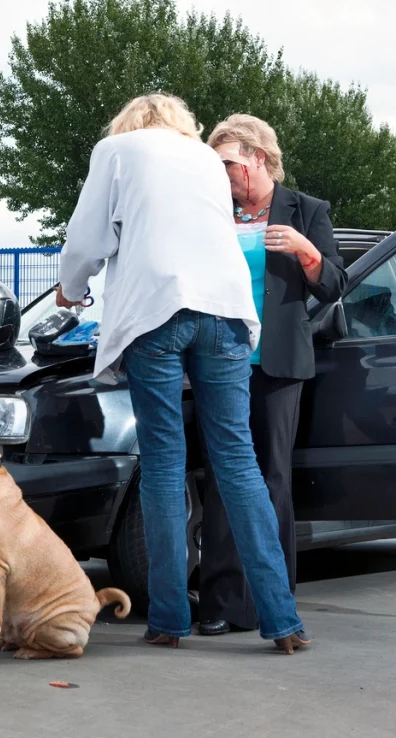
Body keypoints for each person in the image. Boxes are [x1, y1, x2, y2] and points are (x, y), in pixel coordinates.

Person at [55, 92, 311, 653]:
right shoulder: (203, 159)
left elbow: (88, 240)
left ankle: (169, 620)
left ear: (127, 124)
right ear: (182, 124)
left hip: (157, 313)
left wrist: (71, 290)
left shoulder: (117, 150)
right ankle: (284, 622)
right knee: (239, 462)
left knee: (165, 466)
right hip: (224, 312)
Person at [195, 114, 347, 636]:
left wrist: (306, 251)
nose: (222, 174)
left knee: (273, 480)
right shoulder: (213, 213)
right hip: (221, 361)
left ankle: (270, 604)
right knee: (220, 479)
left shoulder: (307, 210)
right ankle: (219, 603)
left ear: (257, 159)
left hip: (278, 365)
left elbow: (334, 285)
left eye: (228, 163)